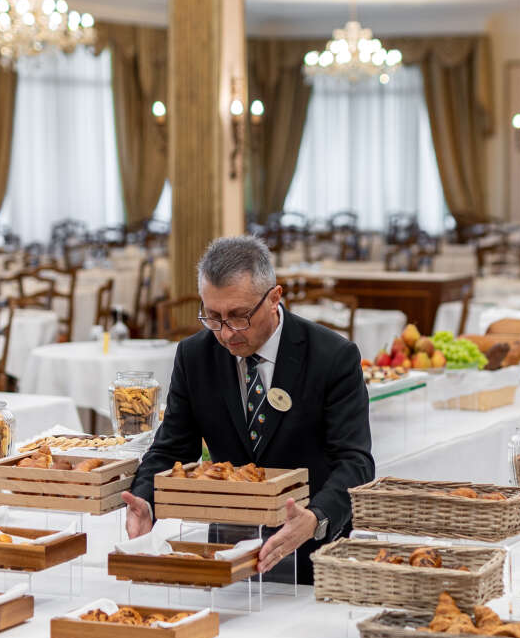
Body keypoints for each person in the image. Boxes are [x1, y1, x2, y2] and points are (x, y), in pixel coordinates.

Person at [121, 235, 374, 583]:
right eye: (213, 317)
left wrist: (315, 518)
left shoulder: (333, 356)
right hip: (228, 552)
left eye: (239, 317)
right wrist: (145, 500)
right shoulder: (195, 356)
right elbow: (172, 447)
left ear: (274, 298)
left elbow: (355, 462)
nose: (225, 333)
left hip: (313, 555)